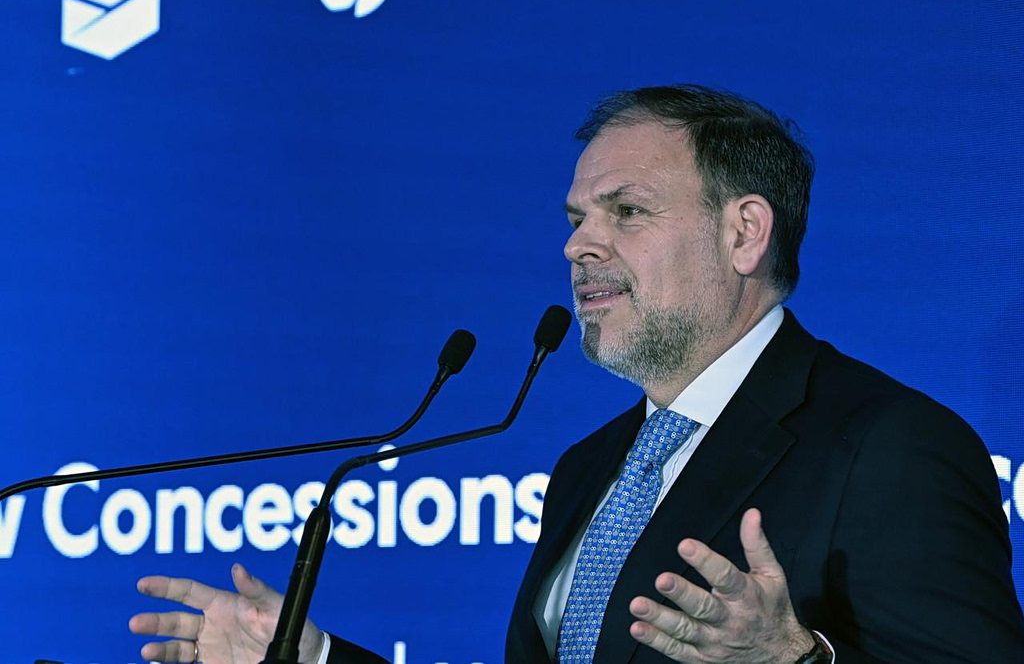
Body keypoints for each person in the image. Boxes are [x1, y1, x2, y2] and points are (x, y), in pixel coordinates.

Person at [129, 85, 1024, 663]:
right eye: (574, 219)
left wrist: (797, 661)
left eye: (626, 211)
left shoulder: (889, 446)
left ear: (745, 232)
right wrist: (313, 658)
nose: (578, 246)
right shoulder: (590, 468)